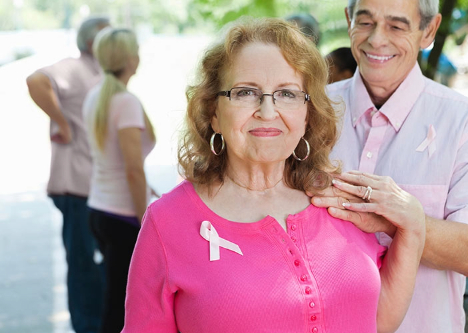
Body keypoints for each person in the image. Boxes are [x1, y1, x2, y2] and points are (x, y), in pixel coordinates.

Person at [121, 17, 425, 333]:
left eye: (287, 94)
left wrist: (413, 226)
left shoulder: (340, 200)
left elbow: (376, 322)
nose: (267, 112)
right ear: (214, 113)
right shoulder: (168, 222)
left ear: (308, 113)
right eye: (245, 92)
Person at [311, 0, 468, 332]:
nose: (377, 40)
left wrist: (393, 219)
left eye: (397, 26)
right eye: (366, 22)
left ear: (428, 30)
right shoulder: (308, 111)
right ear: (348, 20)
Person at [26, 16, 110, 333]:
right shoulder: (74, 67)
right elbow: (36, 80)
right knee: (85, 267)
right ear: (91, 42)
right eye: (107, 36)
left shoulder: (102, 74)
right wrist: (61, 122)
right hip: (76, 186)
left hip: (96, 185)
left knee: (100, 267)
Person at [83, 27, 156, 333]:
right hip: (121, 216)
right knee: (121, 307)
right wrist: (144, 220)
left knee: (114, 298)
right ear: (130, 59)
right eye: (136, 50)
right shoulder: (123, 101)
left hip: (99, 207)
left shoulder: (96, 95)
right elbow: (132, 169)